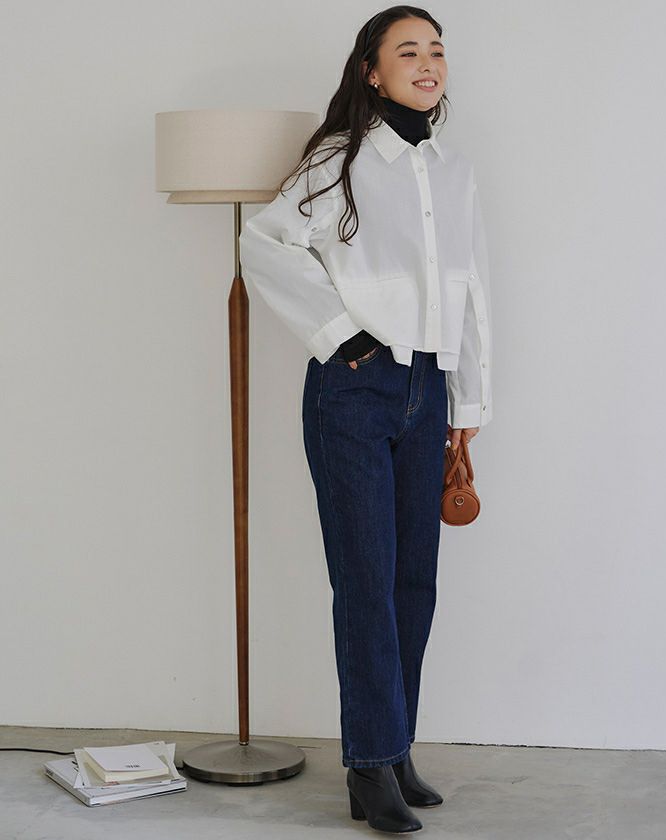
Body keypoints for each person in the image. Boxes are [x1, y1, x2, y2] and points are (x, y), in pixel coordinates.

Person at [239, 6, 493, 834]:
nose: (427, 63)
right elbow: (265, 243)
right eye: (408, 51)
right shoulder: (338, 159)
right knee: (366, 579)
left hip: (429, 388)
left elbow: (470, 289)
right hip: (353, 390)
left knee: (413, 579)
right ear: (372, 72)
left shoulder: (453, 170)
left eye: (436, 51)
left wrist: (468, 401)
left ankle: (394, 748)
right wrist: (342, 337)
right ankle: (368, 764)